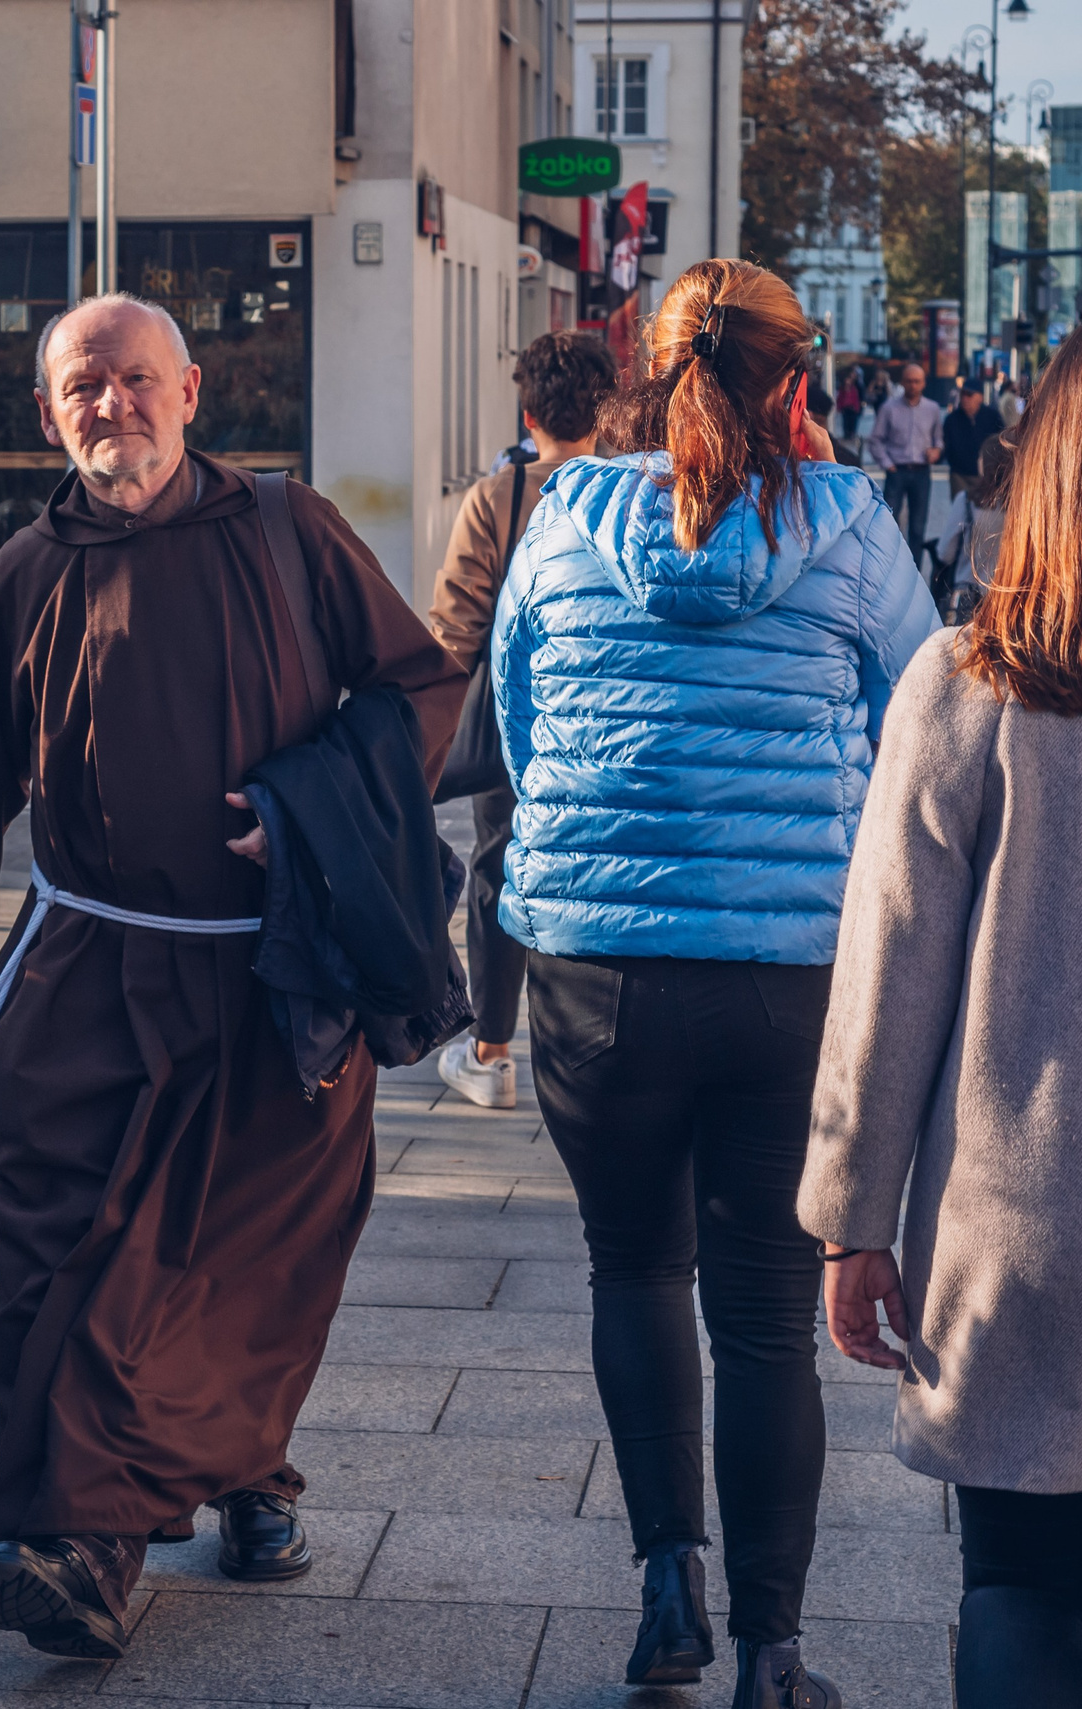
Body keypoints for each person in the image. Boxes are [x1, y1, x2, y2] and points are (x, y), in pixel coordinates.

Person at [0, 293, 463, 1659]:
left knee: (223, 1266)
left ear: (190, 390)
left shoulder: (289, 531)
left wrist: (311, 811)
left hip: (274, 977)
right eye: (85, 385)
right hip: (85, 972)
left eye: (136, 380)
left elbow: (418, 690)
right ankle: (78, 1535)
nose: (112, 406)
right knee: (62, 1260)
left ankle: (157, 1514)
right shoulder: (25, 571)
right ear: (45, 412)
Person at [492, 259, 938, 1707]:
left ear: (640, 371)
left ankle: (666, 1589)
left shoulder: (564, 515)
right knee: (762, 1315)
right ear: (798, 386)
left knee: (633, 1267)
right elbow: (921, 733)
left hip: (592, 966)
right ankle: (773, 1655)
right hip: (785, 972)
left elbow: (518, 716)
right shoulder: (854, 526)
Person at [800, 330, 1082, 1708]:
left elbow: (888, 973)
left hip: (1015, 1233)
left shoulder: (972, 686)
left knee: (1020, 1582)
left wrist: (854, 1218)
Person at [428, 331, 616, 1109]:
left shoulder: (500, 497)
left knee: (500, 869)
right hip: (611, 718)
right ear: (610, 408)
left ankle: (493, 1051)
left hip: (520, 724)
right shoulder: (635, 491)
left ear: (527, 411)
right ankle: (602, 1041)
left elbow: (454, 631)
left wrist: (419, 736)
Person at [867, 361, 945, 575]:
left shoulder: (932, 409)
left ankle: (914, 573)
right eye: (909, 381)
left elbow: (938, 438)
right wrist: (887, 464)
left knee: (918, 527)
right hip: (897, 471)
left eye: (917, 381)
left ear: (923, 383)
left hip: (921, 471)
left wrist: (936, 451)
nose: (913, 385)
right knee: (890, 523)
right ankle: (890, 569)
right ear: (903, 382)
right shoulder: (889, 408)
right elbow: (875, 440)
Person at [933, 435, 1013, 623]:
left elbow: (945, 553)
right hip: (1007, 600)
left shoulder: (967, 501)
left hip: (969, 597)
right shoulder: (1020, 505)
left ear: (985, 463)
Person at [941, 381, 1003, 502]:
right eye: (963, 394)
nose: (965, 398)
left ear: (980, 397)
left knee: (984, 513)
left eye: (969, 395)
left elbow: (1000, 440)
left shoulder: (992, 416)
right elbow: (946, 444)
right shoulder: (952, 419)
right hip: (960, 474)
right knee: (961, 510)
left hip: (986, 476)